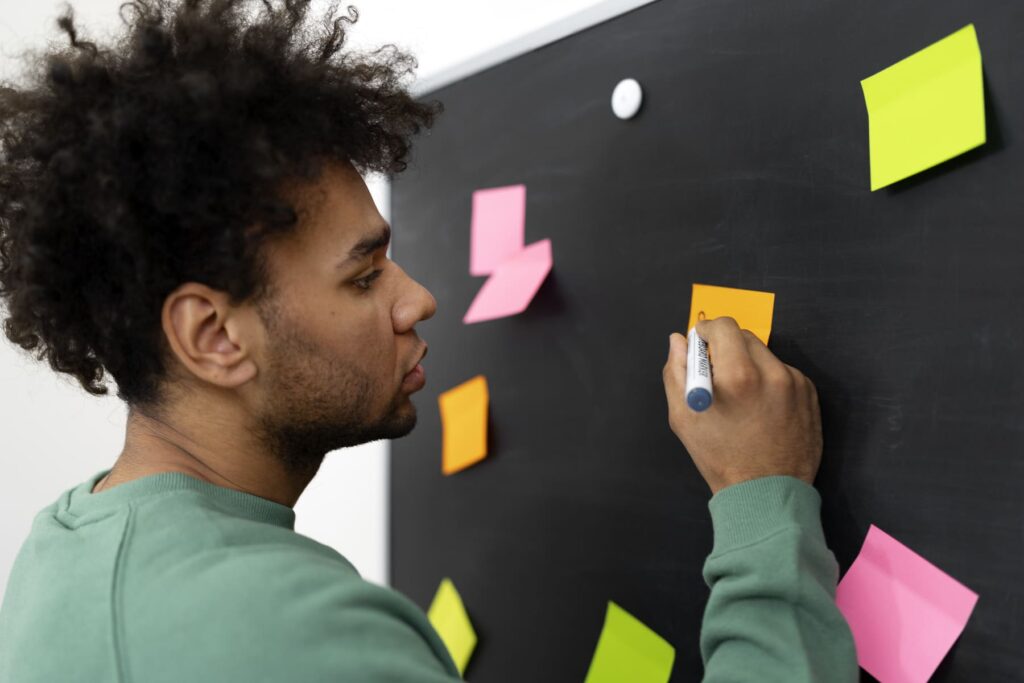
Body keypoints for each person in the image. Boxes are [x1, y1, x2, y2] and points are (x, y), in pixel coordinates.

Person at [0, 0, 857, 680]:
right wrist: (763, 500)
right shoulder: (301, 633)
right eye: (364, 275)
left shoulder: (62, 551)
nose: (420, 298)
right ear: (214, 335)